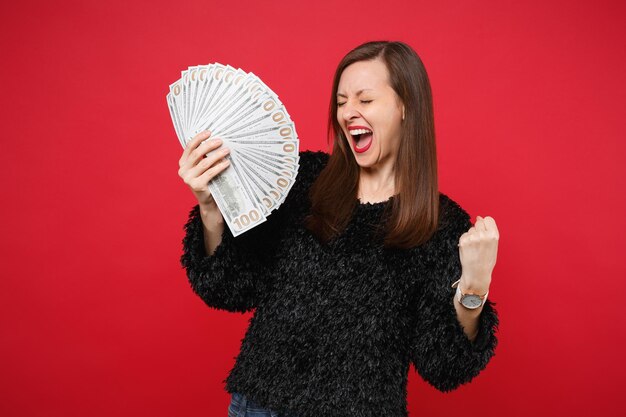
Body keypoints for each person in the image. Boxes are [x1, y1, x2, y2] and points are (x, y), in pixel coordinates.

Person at [177, 41, 500, 417]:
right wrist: (210, 207)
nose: (348, 113)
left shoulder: (442, 225)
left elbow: (445, 367)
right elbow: (230, 288)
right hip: (257, 408)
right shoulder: (301, 180)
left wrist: (474, 287)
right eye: (342, 101)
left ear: (405, 108)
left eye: (365, 100)